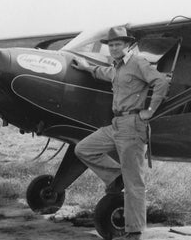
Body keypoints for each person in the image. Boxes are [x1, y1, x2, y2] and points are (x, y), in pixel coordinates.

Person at [72, 26, 169, 240]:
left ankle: (134, 232)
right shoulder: (118, 67)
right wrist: (87, 68)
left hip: (133, 125)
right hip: (116, 124)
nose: (114, 48)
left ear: (128, 45)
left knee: (135, 182)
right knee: (84, 149)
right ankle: (116, 177)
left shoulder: (138, 63)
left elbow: (160, 81)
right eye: (111, 45)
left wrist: (149, 111)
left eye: (118, 44)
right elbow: (106, 73)